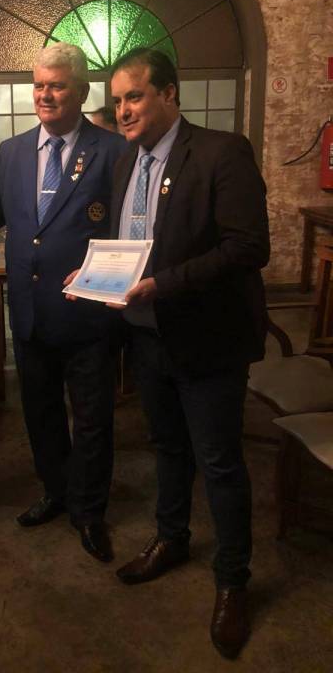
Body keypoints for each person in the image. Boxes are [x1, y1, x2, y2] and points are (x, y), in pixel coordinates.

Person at [109, 47, 269, 658]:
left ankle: (232, 581)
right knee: (168, 448)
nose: (124, 110)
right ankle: (171, 537)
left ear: (169, 94)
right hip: (147, 335)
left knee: (220, 463)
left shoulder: (222, 152)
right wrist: (98, 276)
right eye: (118, 100)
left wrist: (164, 284)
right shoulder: (126, 162)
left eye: (135, 96)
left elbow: (249, 247)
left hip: (208, 340)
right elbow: (129, 244)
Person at [0, 42, 127, 562]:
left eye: (57, 86)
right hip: (29, 312)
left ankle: (88, 510)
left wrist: (101, 274)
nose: (45, 95)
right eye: (39, 85)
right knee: (40, 412)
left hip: (87, 314)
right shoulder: (12, 151)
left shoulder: (113, 151)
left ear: (82, 91)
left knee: (91, 419)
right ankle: (56, 491)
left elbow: (129, 231)